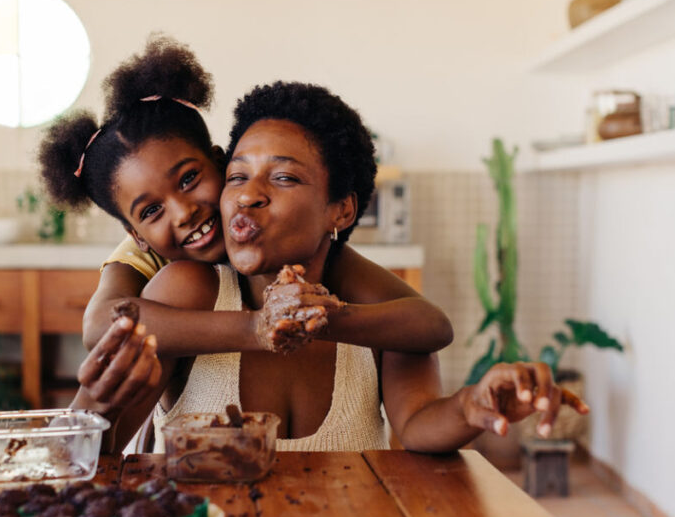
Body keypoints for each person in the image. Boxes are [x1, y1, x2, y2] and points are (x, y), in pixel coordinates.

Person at [117, 81, 589, 453]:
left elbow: (420, 422)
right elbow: (110, 406)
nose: (248, 193)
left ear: (340, 210)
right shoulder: (190, 290)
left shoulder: (378, 317)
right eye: (237, 176)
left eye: (282, 177)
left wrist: (470, 406)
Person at [38, 36, 455, 441]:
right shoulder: (169, 275)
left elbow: (431, 325)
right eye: (151, 211)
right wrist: (258, 327)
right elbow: (101, 326)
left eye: (190, 179)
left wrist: (314, 317)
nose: (184, 213)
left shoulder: (335, 269)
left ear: (216, 163)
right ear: (136, 235)